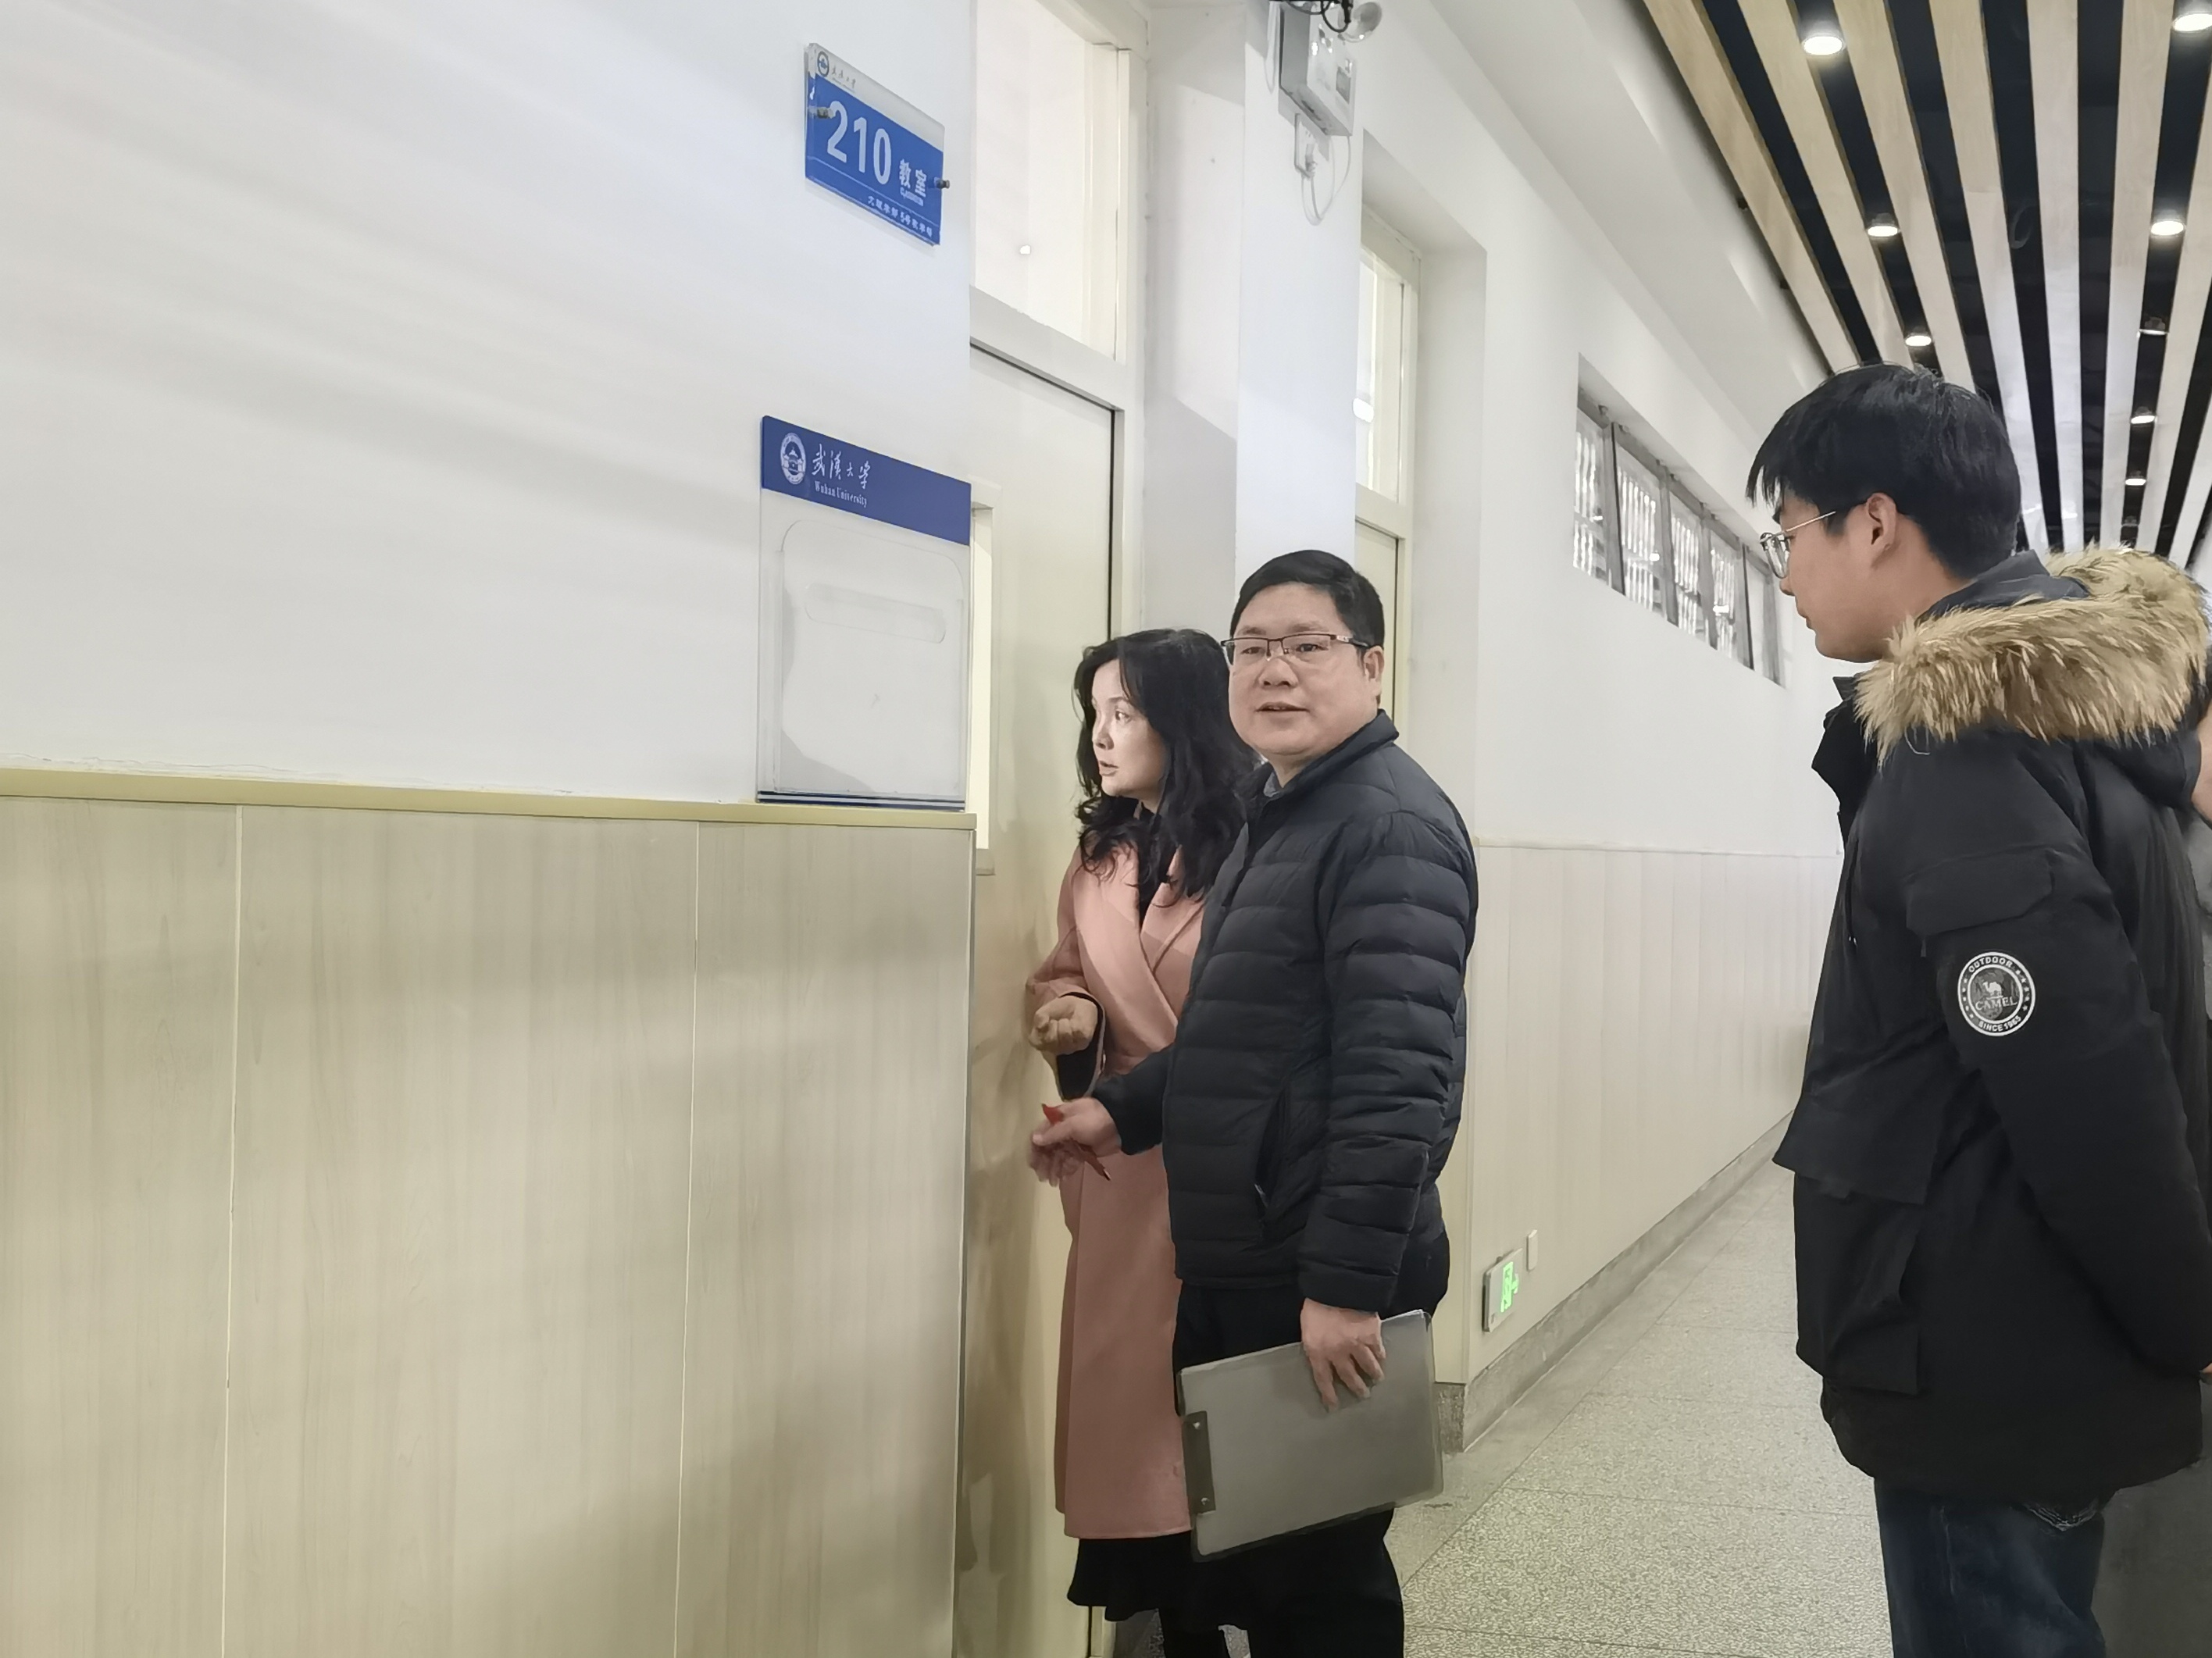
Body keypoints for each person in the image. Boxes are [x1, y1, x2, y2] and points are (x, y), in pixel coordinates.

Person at [1752, 362, 2212, 1657]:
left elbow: (2084, 1078)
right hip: (2026, 1325)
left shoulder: (1970, 742)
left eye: (1791, 534)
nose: (1786, 575)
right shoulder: (2059, 718)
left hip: (1988, 1342)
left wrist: (2185, 1316)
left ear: (1875, 523)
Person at [1031, 550, 1477, 1658]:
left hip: (1308, 1265)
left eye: (1308, 646)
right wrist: (1119, 1111)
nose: (1276, 670)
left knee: (1320, 1592)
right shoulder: (1285, 814)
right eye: (1255, 648)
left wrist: (1344, 1288)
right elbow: (1239, 1041)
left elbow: (1399, 1082)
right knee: (1265, 1578)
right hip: (1248, 1253)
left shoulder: (1387, 826)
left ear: (1371, 666)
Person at [1025, 629, 1251, 1658]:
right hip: (1121, 1181)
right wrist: (1071, 1012)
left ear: (1185, 720)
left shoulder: (1257, 848)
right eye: (1095, 714)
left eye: (1124, 712)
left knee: (1218, 1440)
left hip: (1222, 1179)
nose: (1101, 735)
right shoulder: (1100, 855)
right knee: (1138, 1444)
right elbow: (1067, 969)